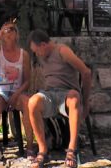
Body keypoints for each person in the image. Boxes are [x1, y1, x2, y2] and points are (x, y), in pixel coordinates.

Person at [27, 28, 92, 168]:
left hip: (67, 93)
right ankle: (43, 150)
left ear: (43, 45)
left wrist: (85, 103)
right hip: (50, 94)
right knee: (32, 102)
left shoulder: (62, 51)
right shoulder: (41, 56)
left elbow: (86, 72)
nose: (36, 54)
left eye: (37, 50)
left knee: (74, 98)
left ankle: (71, 150)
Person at [0, 20, 34, 154]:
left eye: (11, 29)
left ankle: (29, 146)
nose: (8, 32)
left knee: (28, 103)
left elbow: (27, 81)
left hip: (17, 92)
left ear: (16, 34)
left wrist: (16, 95)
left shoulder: (24, 55)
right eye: (6, 29)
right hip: (0, 90)